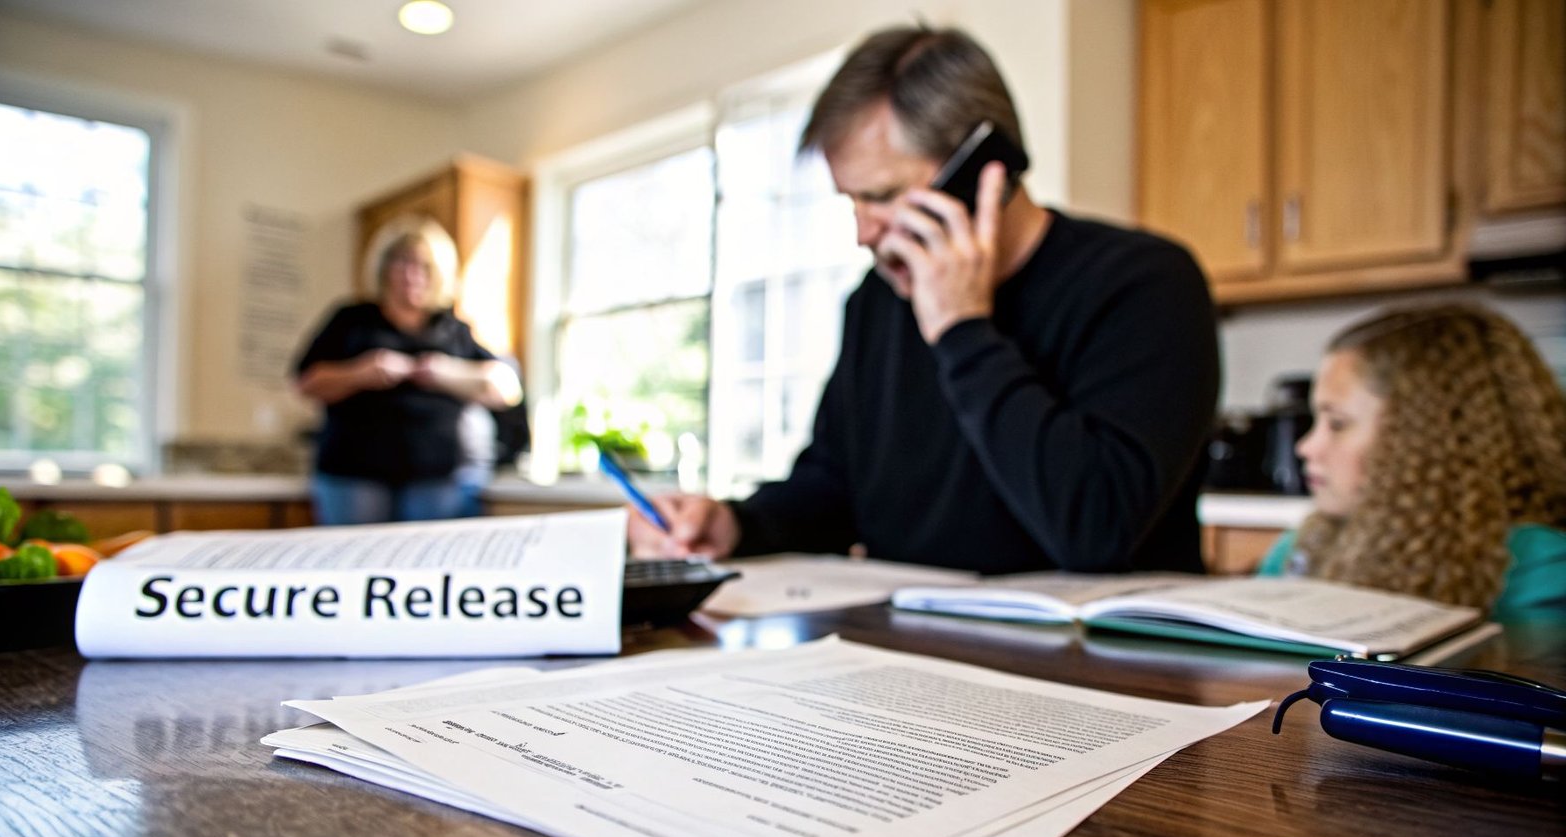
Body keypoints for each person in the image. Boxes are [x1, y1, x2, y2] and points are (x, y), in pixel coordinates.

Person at [627, 25, 1220, 574]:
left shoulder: (1145, 284)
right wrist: (736, 523)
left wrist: (963, 328)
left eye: (880, 196)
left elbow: (1096, 528)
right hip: (917, 659)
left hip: (1108, 670)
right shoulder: (875, 302)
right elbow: (833, 488)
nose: (862, 233)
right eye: (851, 202)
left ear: (983, 169)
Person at [1257, 302, 1566, 626]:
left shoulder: (1543, 574)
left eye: (1336, 423)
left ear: (1422, 437)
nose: (1306, 447)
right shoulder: (1298, 548)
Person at [294, 230, 523, 524]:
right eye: (401, 262)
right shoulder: (352, 320)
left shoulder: (454, 329)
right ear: (383, 268)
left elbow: (506, 388)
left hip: (440, 476)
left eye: (424, 266)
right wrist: (361, 373)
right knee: (354, 561)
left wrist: (445, 372)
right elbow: (306, 382)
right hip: (354, 474)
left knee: (429, 564)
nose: (412, 274)